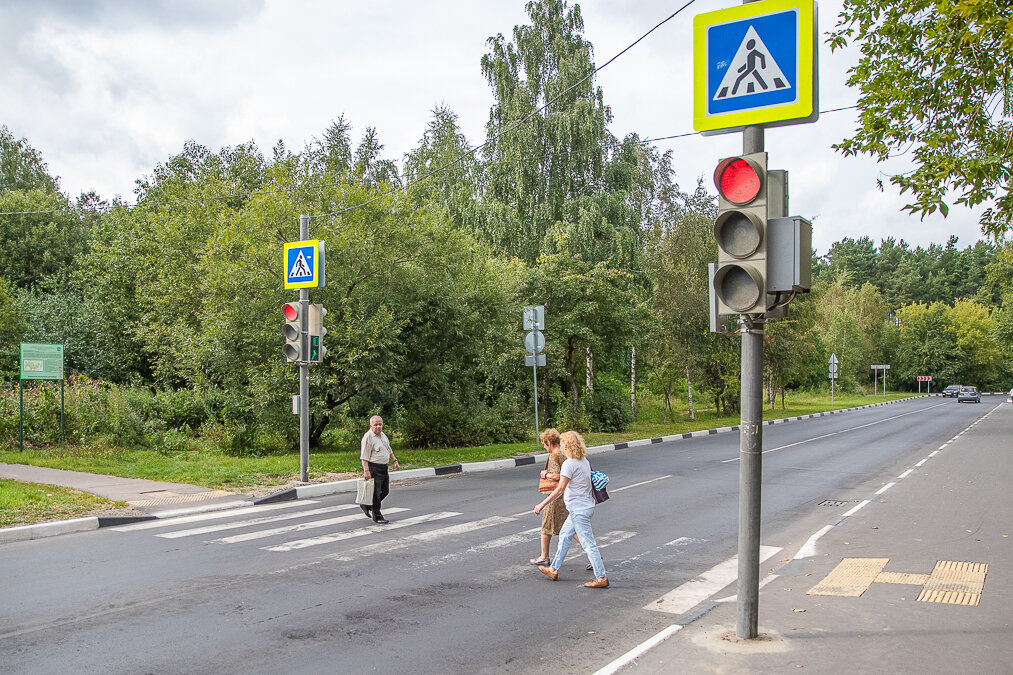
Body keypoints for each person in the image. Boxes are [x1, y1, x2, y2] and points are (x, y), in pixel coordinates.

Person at [533, 431, 608, 588]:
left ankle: (601, 577)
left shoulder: (569, 464)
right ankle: (553, 569)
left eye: (562, 444)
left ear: (567, 445)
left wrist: (542, 504)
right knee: (565, 537)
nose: (560, 447)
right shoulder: (583, 461)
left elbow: (560, 489)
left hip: (579, 510)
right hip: (582, 507)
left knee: (589, 544)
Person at [530, 428, 570, 566]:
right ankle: (592, 556)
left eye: (544, 443)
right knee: (572, 527)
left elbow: (557, 475)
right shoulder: (565, 453)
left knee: (546, 526)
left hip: (555, 496)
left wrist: (545, 475)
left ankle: (544, 556)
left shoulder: (554, 455)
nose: (544, 446)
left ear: (549, 442)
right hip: (566, 494)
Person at [360, 415, 400, 524]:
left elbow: (388, 449)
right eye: (375, 424)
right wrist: (366, 471)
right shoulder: (368, 437)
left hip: (384, 468)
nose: (378, 427)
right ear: (370, 425)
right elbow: (364, 456)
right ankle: (377, 516)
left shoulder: (383, 436)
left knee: (385, 491)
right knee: (376, 493)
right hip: (374, 468)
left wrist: (394, 460)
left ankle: (366, 505)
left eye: (380, 424)